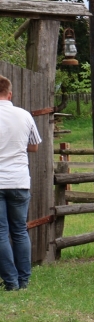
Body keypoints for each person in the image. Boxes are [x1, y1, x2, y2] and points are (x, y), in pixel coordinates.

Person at [0, 75, 41, 291]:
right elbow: (34, 146)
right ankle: (24, 280)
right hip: (18, 180)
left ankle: (10, 281)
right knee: (19, 230)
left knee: (0, 233)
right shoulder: (24, 115)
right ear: (10, 93)